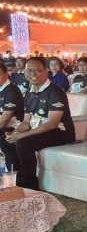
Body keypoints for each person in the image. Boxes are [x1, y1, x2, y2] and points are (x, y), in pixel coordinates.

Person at [5, 57, 76, 190]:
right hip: (39, 131)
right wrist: (15, 133)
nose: (33, 73)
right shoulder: (29, 93)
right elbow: (26, 122)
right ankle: (17, 178)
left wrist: (21, 136)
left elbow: (52, 123)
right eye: (29, 70)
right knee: (7, 141)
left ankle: (30, 183)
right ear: (24, 72)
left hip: (60, 133)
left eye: (37, 70)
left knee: (24, 143)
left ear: (46, 72)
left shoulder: (55, 92)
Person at [0, 62, 25, 174]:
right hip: (3, 126)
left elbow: (5, 118)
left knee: (4, 141)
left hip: (15, 127)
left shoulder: (11, 90)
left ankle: (13, 177)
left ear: (6, 74)